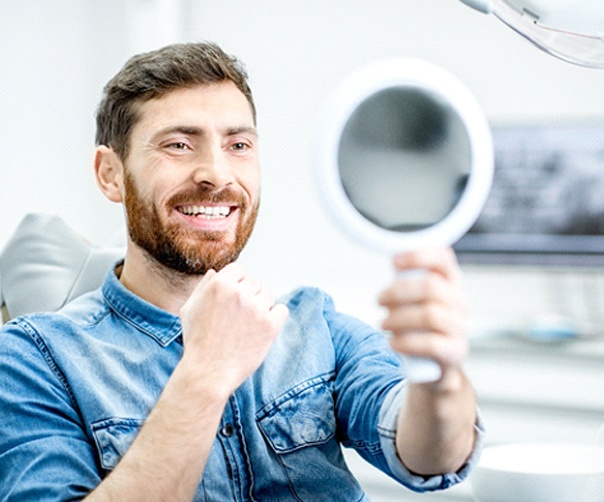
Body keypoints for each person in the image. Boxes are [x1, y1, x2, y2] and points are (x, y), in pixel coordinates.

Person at [0, 42, 483, 501]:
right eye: (179, 145)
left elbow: (429, 455)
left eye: (238, 145)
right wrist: (205, 374)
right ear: (110, 174)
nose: (217, 173)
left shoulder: (314, 326)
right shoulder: (33, 359)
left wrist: (439, 379)